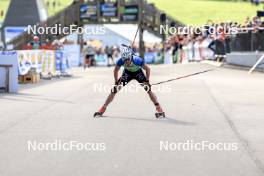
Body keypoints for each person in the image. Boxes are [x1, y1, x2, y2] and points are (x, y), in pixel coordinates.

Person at [94, 46, 165, 118]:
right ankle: (103, 108)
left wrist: (147, 81)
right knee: (114, 90)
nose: (126, 61)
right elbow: (115, 71)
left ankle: (158, 107)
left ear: (130, 57)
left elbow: (148, 69)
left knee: (148, 90)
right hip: (127, 73)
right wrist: (116, 82)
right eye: (125, 60)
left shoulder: (137, 60)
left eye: (128, 59)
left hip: (138, 73)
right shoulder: (120, 61)